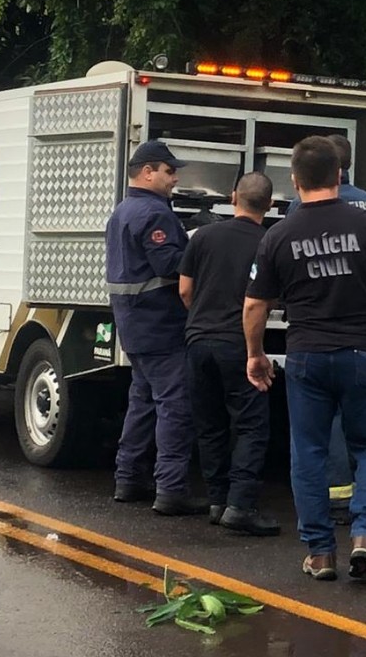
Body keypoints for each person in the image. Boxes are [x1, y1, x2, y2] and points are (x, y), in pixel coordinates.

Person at [244, 136, 366, 583]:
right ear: (340, 174)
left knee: (307, 452)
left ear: (294, 180)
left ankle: (321, 554)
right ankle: (364, 537)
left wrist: (254, 355)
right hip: (365, 353)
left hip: (307, 355)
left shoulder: (278, 234)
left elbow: (254, 305)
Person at [289, 134, 366, 523]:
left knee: (315, 436)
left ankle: (326, 520)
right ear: (342, 167)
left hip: (312, 336)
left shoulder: (296, 212)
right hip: (365, 337)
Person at [105, 140, 206, 516]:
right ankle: (171, 490)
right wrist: (199, 244)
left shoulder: (123, 210)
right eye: (169, 171)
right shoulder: (154, 213)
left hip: (134, 325)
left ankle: (128, 479)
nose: (174, 178)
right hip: (161, 324)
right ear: (147, 172)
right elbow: (168, 265)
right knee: (174, 407)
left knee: (142, 403)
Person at [178, 171, 279, 537]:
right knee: (251, 425)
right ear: (269, 205)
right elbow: (270, 297)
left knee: (210, 425)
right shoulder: (270, 241)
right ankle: (241, 504)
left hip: (198, 341)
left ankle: (218, 500)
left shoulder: (203, 236)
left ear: (233, 197)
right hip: (239, 344)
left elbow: (185, 290)